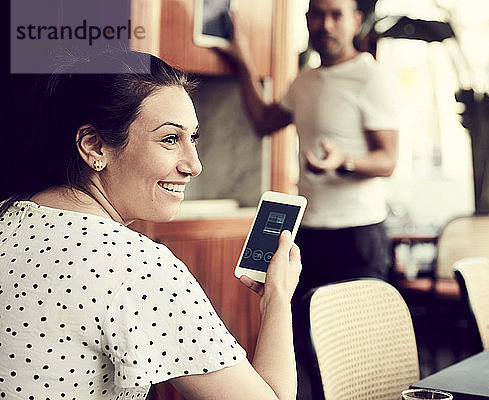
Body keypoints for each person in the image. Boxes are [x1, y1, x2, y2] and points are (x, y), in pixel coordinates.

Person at [0, 50, 301, 400]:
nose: (194, 164)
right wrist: (277, 296)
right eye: (170, 139)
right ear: (94, 146)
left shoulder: (8, 217)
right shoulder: (136, 266)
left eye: (194, 138)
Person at [218, 0, 399, 309]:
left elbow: (388, 161)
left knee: (350, 348)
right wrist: (244, 59)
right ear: (306, 19)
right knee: (304, 343)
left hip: (357, 236)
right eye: (317, 14)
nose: (325, 25)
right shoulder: (305, 80)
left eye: (336, 15)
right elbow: (264, 122)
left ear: (356, 21)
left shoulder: (371, 76)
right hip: (308, 232)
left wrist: (345, 162)